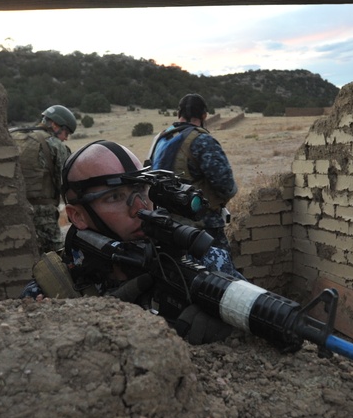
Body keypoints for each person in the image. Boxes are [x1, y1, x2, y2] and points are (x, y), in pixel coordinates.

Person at [20, 140, 233, 345]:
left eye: (142, 191)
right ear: (78, 216)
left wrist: (232, 324)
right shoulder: (53, 290)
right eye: (114, 197)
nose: (139, 209)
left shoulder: (205, 259)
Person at [147, 93, 240, 276]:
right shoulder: (202, 140)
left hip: (166, 225)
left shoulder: (161, 138)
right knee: (222, 279)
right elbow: (226, 185)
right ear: (204, 116)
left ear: (178, 113)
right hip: (202, 228)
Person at [9, 105, 77, 254]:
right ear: (54, 124)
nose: (66, 138)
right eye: (66, 132)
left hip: (10, 211)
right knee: (58, 258)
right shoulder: (55, 145)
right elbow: (67, 184)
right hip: (42, 216)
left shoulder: (13, 135)